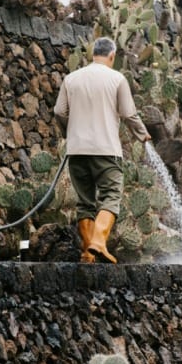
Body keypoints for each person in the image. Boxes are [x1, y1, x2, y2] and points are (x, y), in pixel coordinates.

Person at [54, 36, 151, 264]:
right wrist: (142, 134)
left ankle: (88, 253)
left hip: (77, 151)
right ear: (112, 55)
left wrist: (70, 133)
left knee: (85, 203)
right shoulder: (117, 79)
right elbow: (128, 113)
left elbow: (59, 111)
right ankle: (98, 242)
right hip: (106, 149)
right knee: (111, 197)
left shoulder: (71, 78)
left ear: (91, 54)